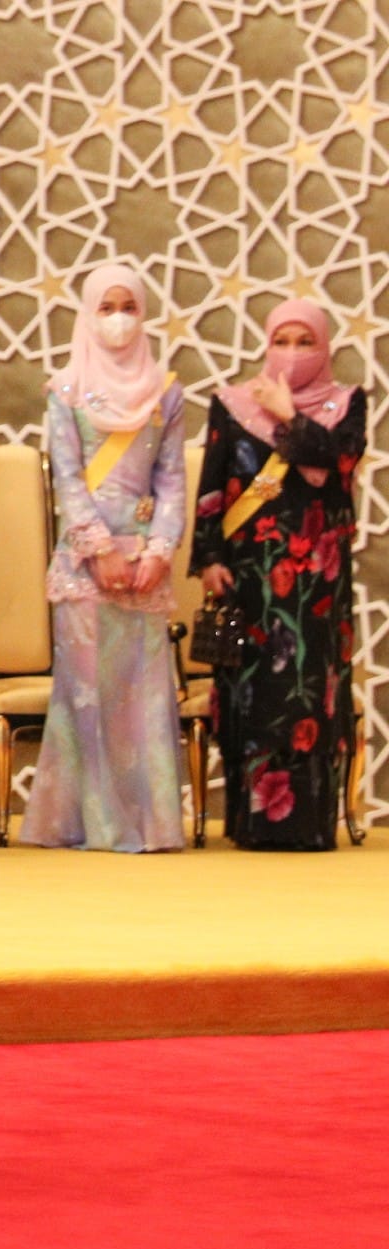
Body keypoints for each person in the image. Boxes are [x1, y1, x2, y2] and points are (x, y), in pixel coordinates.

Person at [191, 299, 366, 850]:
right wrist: (209, 558)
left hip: (317, 578)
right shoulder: (232, 404)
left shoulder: (347, 403)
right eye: (281, 341)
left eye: (304, 342)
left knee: (309, 693)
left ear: (325, 346)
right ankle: (251, 822)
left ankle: (307, 824)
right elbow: (213, 485)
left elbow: (336, 466)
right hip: (249, 575)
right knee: (254, 692)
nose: (292, 353)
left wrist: (289, 414)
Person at [24, 264, 186, 853]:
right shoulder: (65, 389)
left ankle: (150, 825)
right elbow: (67, 479)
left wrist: (160, 550)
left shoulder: (167, 391)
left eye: (129, 307)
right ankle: (92, 823)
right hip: (85, 564)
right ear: (89, 314)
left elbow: (172, 481)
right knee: (88, 695)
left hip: (144, 564)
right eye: (107, 307)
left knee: (143, 698)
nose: (119, 319)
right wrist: (98, 549)